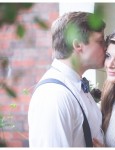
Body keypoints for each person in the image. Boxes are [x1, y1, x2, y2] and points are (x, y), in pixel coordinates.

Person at [28, 11, 106, 147]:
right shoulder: (54, 96)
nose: (106, 48)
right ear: (77, 45)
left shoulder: (74, 85)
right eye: (100, 41)